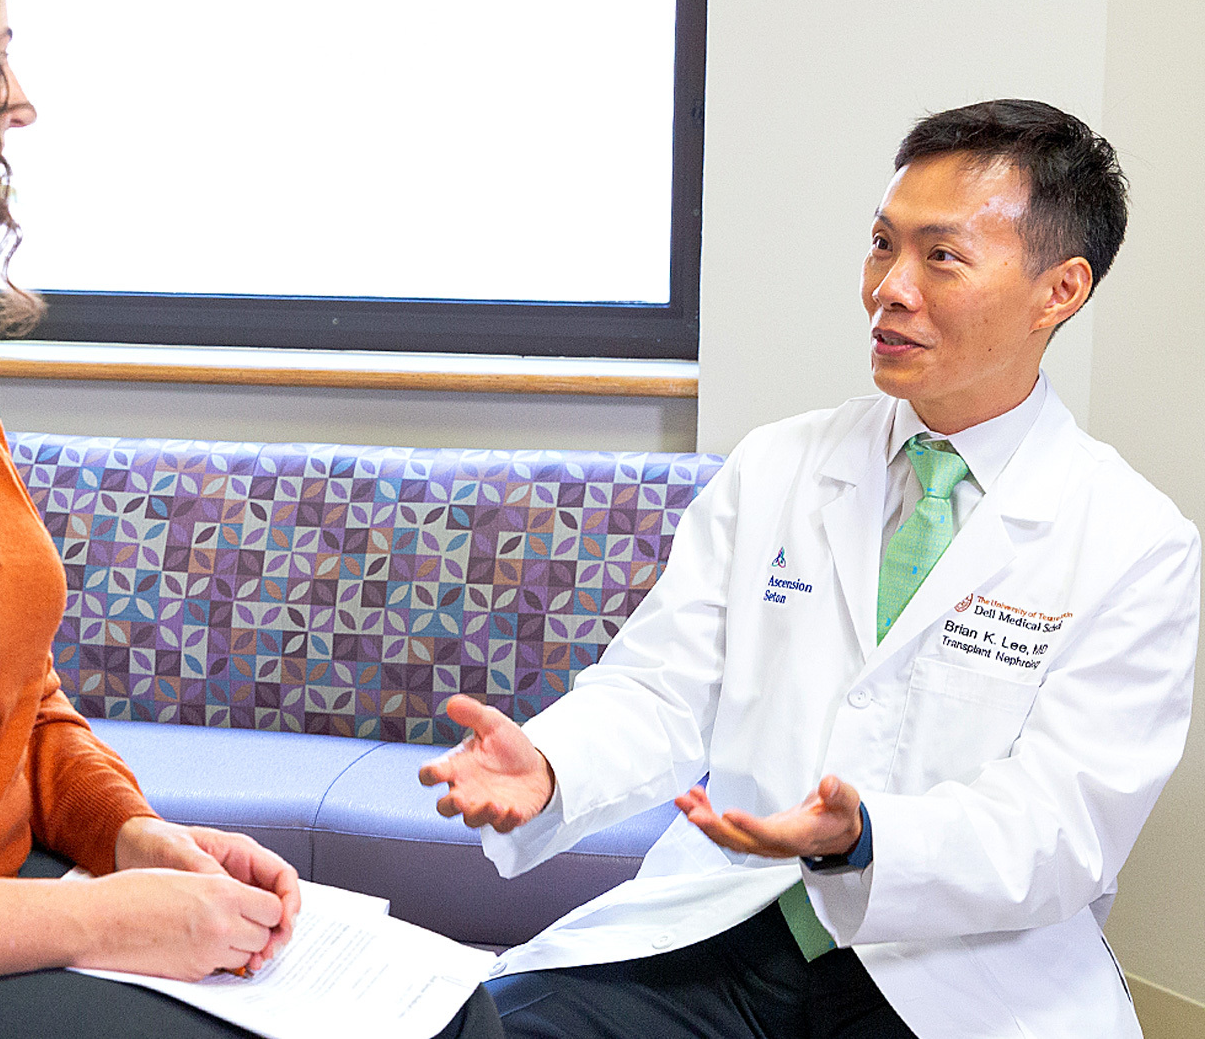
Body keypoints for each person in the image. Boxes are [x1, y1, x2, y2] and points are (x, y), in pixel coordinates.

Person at [0, 0, 501, 1037]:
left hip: (19, 891)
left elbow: (21, 700)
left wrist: (134, 835)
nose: (21, 103)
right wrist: (99, 921)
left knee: (454, 1016)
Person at [421, 99, 1199, 1039]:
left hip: (961, 976)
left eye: (940, 256)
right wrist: (551, 765)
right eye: (882, 244)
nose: (888, 288)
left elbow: (1062, 827)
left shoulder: (1134, 542)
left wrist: (866, 839)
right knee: (485, 1029)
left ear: (1059, 291)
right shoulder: (780, 465)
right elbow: (663, 689)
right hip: (730, 926)